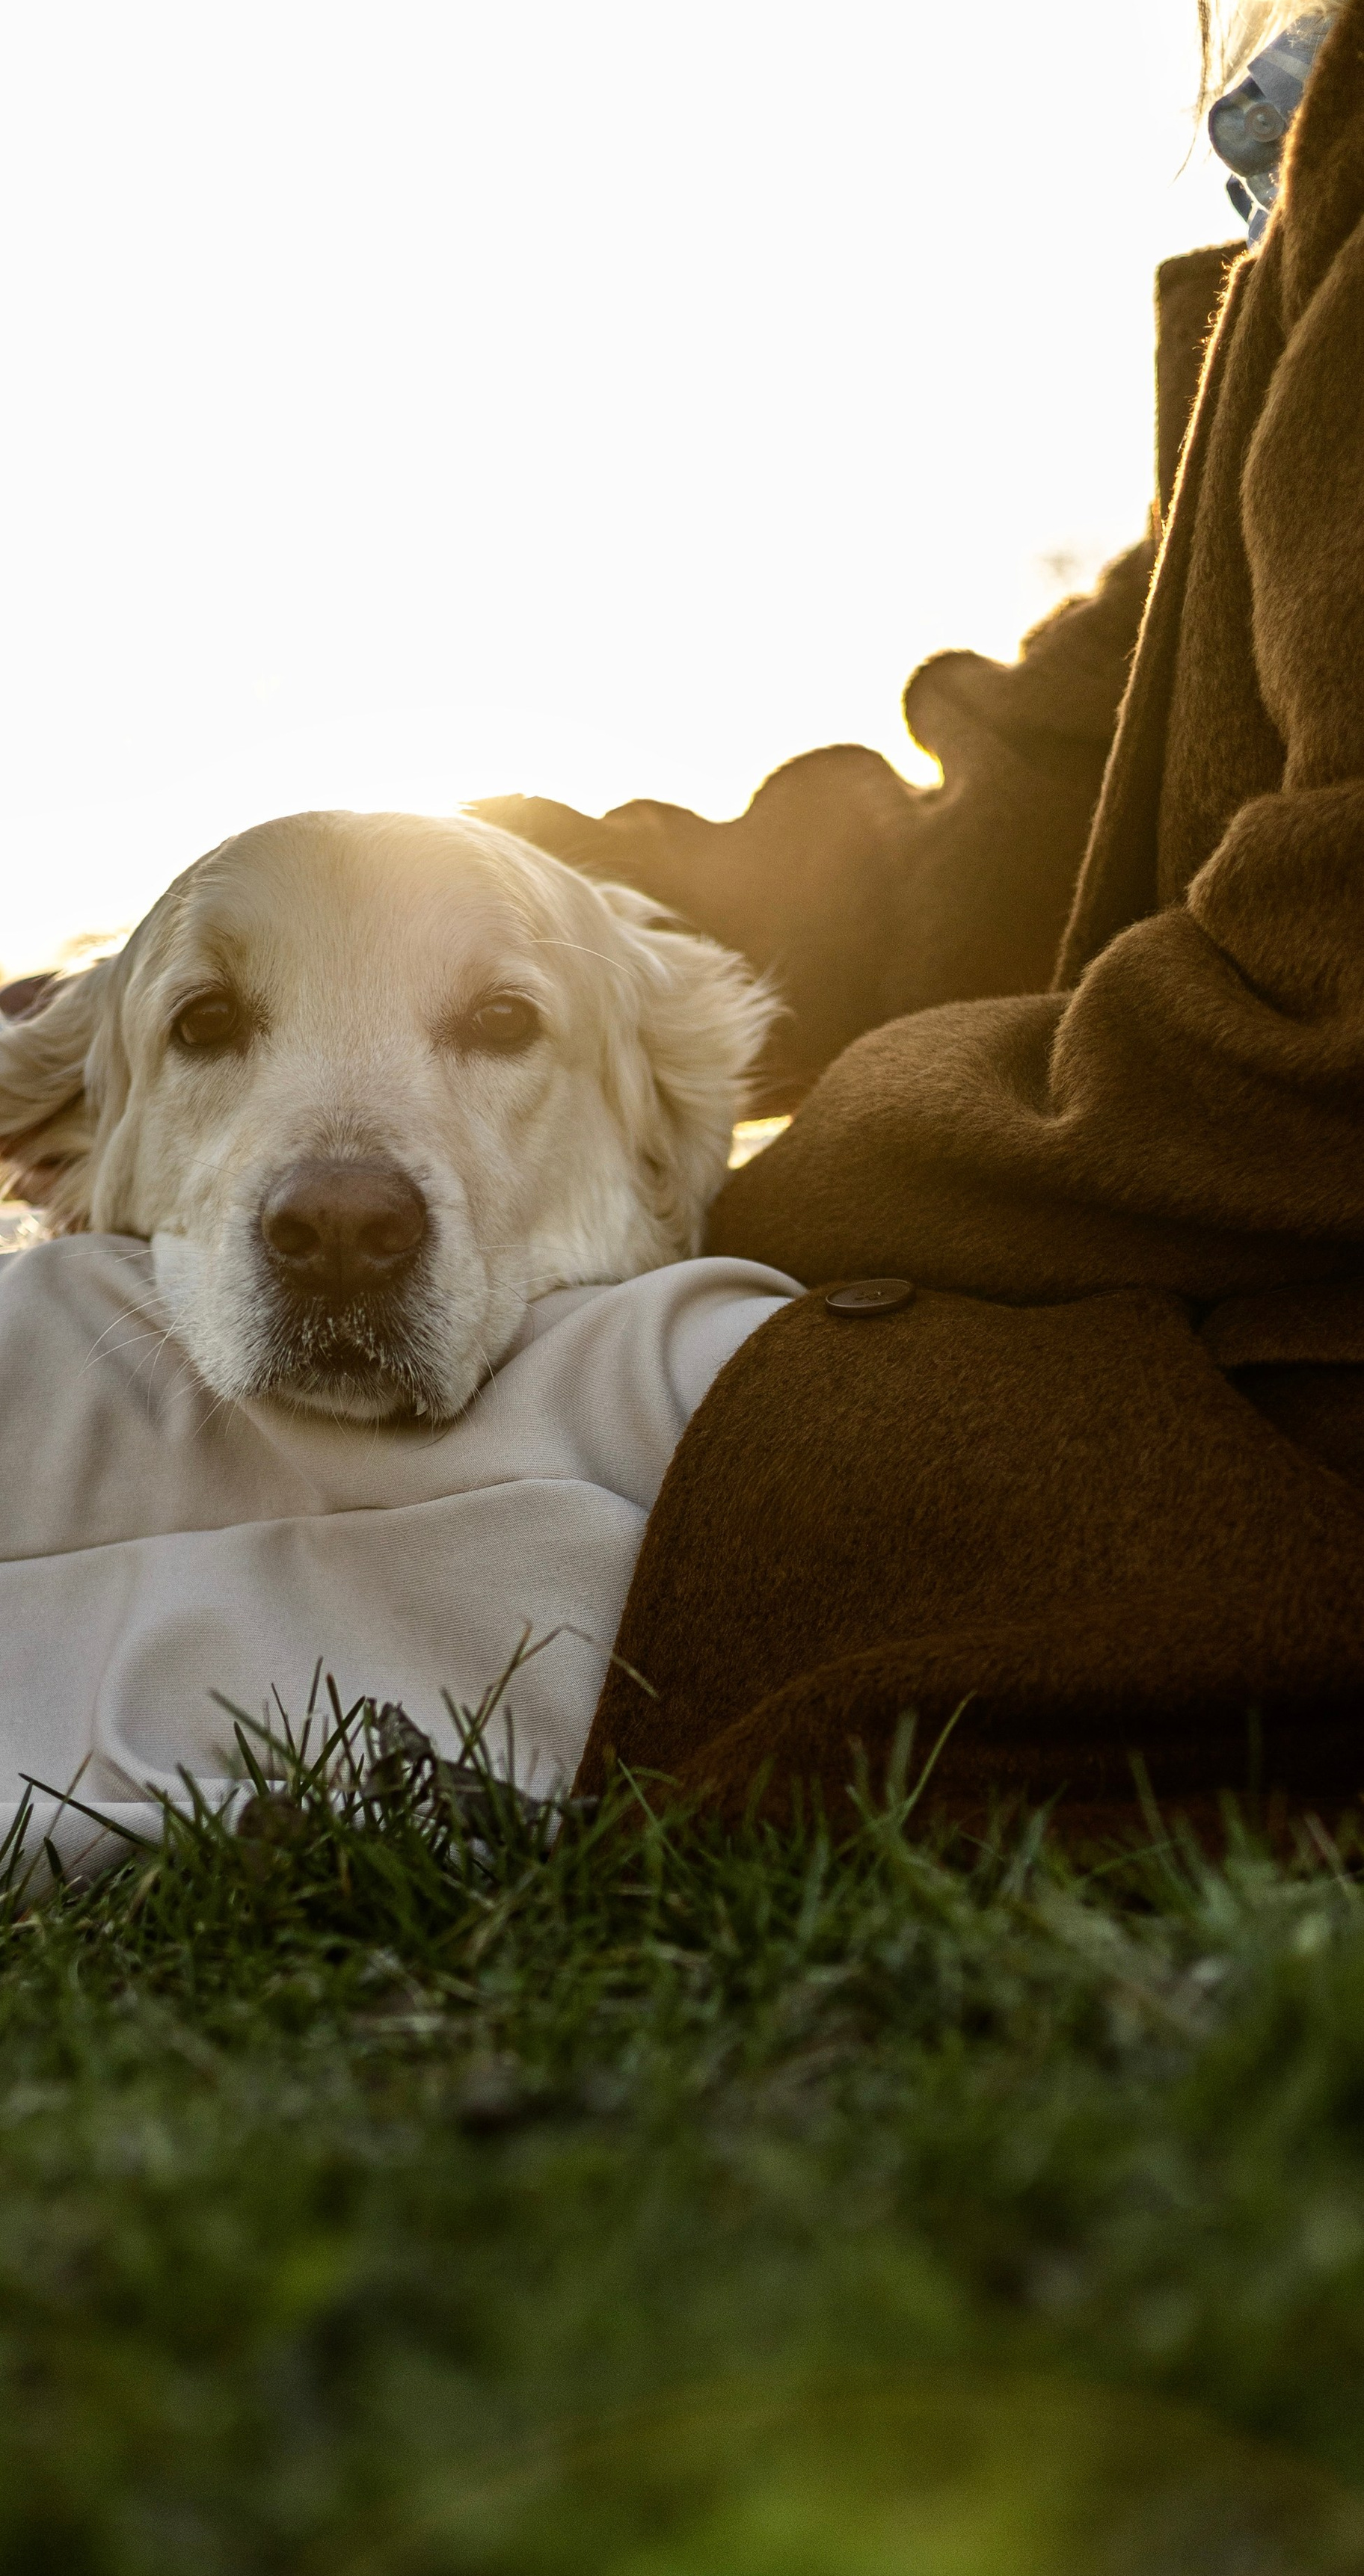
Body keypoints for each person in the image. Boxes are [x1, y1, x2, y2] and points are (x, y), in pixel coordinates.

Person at [474, 2, 1364, 1834]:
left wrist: (728, 1201)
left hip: (1282, 1469)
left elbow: (1328, 1006)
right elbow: (998, 836)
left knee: (125, 1428)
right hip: (1218, 1393)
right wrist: (461, 917)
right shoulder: (1304, 144)